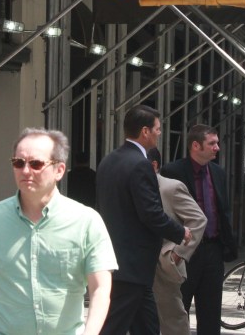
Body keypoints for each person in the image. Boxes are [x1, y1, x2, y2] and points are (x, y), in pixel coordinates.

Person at [0, 128, 117, 335]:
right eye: (18, 163)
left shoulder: (87, 221)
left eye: (36, 164)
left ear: (59, 170)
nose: (26, 171)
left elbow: (100, 289)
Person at [96, 105, 190, 335]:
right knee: (113, 326)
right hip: (132, 264)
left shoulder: (108, 161)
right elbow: (151, 213)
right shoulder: (140, 164)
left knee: (147, 326)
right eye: (157, 129)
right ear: (145, 131)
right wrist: (180, 232)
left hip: (120, 259)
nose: (160, 133)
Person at [160, 124, 236, 335]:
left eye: (217, 143)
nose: (217, 148)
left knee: (211, 313)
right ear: (195, 145)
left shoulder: (218, 173)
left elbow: (223, 210)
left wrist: (227, 244)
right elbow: (166, 211)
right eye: (212, 143)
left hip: (213, 250)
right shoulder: (173, 171)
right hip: (184, 250)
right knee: (178, 309)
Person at [148, 147, 207, 335]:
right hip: (136, 261)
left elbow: (198, 220)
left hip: (164, 262)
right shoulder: (130, 186)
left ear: (153, 165)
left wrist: (177, 253)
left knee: (171, 317)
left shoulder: (170, 187)